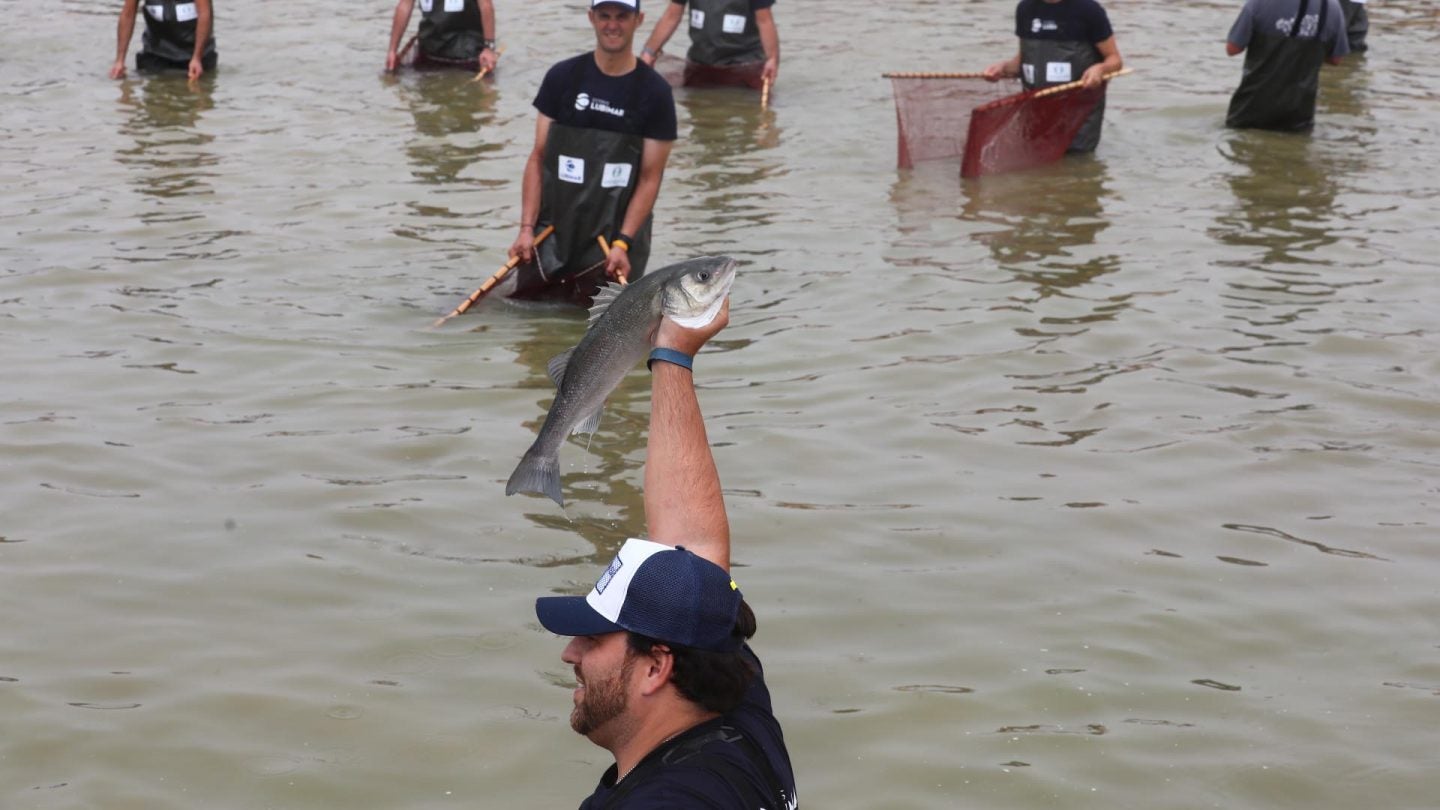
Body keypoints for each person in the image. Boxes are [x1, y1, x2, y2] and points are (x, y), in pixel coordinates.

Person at [534, 302, 799, 808]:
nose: (570, 652)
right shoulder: (734, 707)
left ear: (657, 667)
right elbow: (695, 547)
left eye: (593, 638)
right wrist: (673, 355)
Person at [506, 0, 677, 307]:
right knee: (531, 328)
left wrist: (623, 242)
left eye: (622, 16)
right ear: (591, 18)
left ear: (639, 20)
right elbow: (538, 157)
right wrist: (526, 229)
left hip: (614, 245)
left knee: (607, 336)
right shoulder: (562, 77)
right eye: (605, 16)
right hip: (552, 237)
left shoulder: (656, 93)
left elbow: (651, 178)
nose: (613, 24)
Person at [982, 0, 1123, 154]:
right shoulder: (1025, 8)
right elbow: (1024, 59)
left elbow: (1115, 60)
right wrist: (1003, 68)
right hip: (1036, 115)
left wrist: (1100, 69)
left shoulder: (1088, 9)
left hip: (1078, 117)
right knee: (1035, 168)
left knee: (1076, 168)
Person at [1225, 0, 1349, 132]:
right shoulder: (1332, 7)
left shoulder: (1258, 3)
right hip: (1298, 115)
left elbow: (1233, 49)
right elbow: (1336, 59)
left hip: (1251, 108)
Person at [637, 0, 780, 91]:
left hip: (744, 65)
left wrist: (772, 58)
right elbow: (671, 16)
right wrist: (648, 52)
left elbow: (765, 21)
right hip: (701, 63)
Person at [109, 0, 216, 81]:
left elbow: (205, 14)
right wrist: (120, 60)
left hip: (193, 55)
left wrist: (197, 57)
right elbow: (128, 15)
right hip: (155, 54)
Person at [385, 0, 499, 73]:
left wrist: (489, 48)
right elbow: (404, 6)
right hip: (430, 50)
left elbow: (486, 6)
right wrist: (392, 50)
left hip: (467, 54)